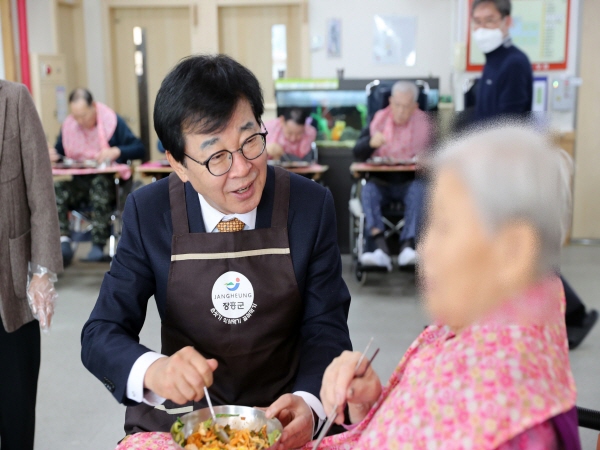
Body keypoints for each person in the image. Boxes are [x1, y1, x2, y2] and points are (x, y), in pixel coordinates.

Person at [81, 55, 352, 450]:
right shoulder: (149, 211)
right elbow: (100, 332)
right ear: (178, 164)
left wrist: (309, 404)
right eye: (217, 156)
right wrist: (156, 370)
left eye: (250, 141)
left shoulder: (309, 205)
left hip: (282, 413)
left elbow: (326, 328)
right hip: (183, 419)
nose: (242, 168)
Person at [314, 125, 581, 449]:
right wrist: (369, 406)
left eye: (444, 226)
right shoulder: (511, 315)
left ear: (513, 249)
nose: (426, 250)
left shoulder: (500, 424)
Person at [470, 0, 597, 349]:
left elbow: (509, 123)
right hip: (490, 166)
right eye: (477, 21)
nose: (481, 28)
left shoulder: (514, 63)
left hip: (506, 169)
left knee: (519, 246)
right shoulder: (492, 62)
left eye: (489, 20)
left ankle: (572, 310)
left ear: (507, 21)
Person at [0, 80, 63, 450]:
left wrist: (42, 272)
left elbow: (40, 193)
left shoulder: (13, 99)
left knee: (16, 414)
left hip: (9, 291)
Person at [49, 88, 145, 265]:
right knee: (56, 190)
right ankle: (64, 242)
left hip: (109, 185)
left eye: (83, 115)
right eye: (75, 116)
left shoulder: (112, 122)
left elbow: (139, 148)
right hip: (80, 184)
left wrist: (117, 151)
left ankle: (98, 244)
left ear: (93, 106)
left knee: (99, 184)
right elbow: (60, 152)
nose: (80, 121)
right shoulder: (70, 126)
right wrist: (53, 155)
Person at [353, 81, 431, 269]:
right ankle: (379, 250)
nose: (401, 111)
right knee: (368, 190)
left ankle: (408, 248)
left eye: (406, 107)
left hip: (410, 182)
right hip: (381, 182)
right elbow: (357, 153)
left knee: (420, 191)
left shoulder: (424, 123)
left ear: (415, 106)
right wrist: (370, 143)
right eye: (397, 105)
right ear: (390, 101)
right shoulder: (377, 119)